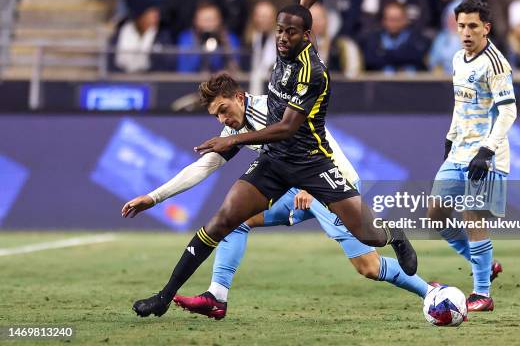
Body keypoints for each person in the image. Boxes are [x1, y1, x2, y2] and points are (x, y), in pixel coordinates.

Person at [124, 0, 418, 317]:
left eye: (289, 33)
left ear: (305, 36)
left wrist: (231, 140)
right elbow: (205, 166)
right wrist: (154, 197)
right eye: (279, 30)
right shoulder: (283, 51)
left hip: (314, 165)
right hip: (275, 162)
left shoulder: (312, 73)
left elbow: (287, 128)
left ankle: (394, 234)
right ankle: (165, 297)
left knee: (369, 241)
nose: (281, 37)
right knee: (223, 221)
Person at [123, 74, 434, 319]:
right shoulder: (236, 130)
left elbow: (323, 152)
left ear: (239, 97)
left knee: (369, 262)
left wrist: (312, 188)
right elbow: (203, 167)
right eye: (215, 115)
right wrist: (154, 197)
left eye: (224, 110)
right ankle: (208, 296)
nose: (222, 120)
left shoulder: (276, 110)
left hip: (326, 183)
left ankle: (418, 273)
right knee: (232, 221)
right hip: (290, 187)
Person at [427, 0, 517, 312]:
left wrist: (487, 150)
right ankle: (485, 264)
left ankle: (481, 293)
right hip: (460, 148)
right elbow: (460, 105)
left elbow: (508, 112)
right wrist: (450, 138)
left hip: (486, 153)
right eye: (461, 25)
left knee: (471, 214)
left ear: (486, 28)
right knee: (435, 214)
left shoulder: (495, 63)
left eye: (472, 26)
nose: (465, 32)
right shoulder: (457, 58)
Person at [361, 2, 430, 74]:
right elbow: (370, 60)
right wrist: (402, 55)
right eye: (390, 19)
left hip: (412, 83)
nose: (393, 23)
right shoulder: (373, 39)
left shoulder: (418, 39)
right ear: (383, 21)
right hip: (381, 83)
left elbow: (417, 58)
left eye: (396, 19)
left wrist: (384, 53)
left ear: (405, 20)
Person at [176, 2, 241, 73]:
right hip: (193, 82)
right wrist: (198, 43)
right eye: (205, 20)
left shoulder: (230, 38)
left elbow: (237, 71)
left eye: (212, 20)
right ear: (195, 21)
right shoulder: (186, 38)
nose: (208, 24)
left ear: (220, 20)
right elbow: (184, 70)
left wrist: (226, 45)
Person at [109, 3, 174, 73]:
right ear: (141, 17)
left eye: (157, 16)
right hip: (122, 77)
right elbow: (110, 57)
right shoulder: (121, 32)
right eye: (152, 16)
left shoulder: (161, 35)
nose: (156, 19)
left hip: (150, 78)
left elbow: (167, 61)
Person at [309, 3, 363, 78]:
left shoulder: (344, 46)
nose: (315, 23)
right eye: (311, 19)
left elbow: (353, 77)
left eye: (318, 18)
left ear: (326, 20)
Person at [244, 1, 278, 95]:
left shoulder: (282, 42)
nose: (264, 20)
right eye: (261, 16)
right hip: (250, 88)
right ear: (254, 17)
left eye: (267, 16)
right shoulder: (247, 41)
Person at [428, 0, 462, 76]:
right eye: (450, 18)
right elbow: (432, 60)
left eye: (456, 19)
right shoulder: (441, 38)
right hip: (442, 80)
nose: (452, 22)